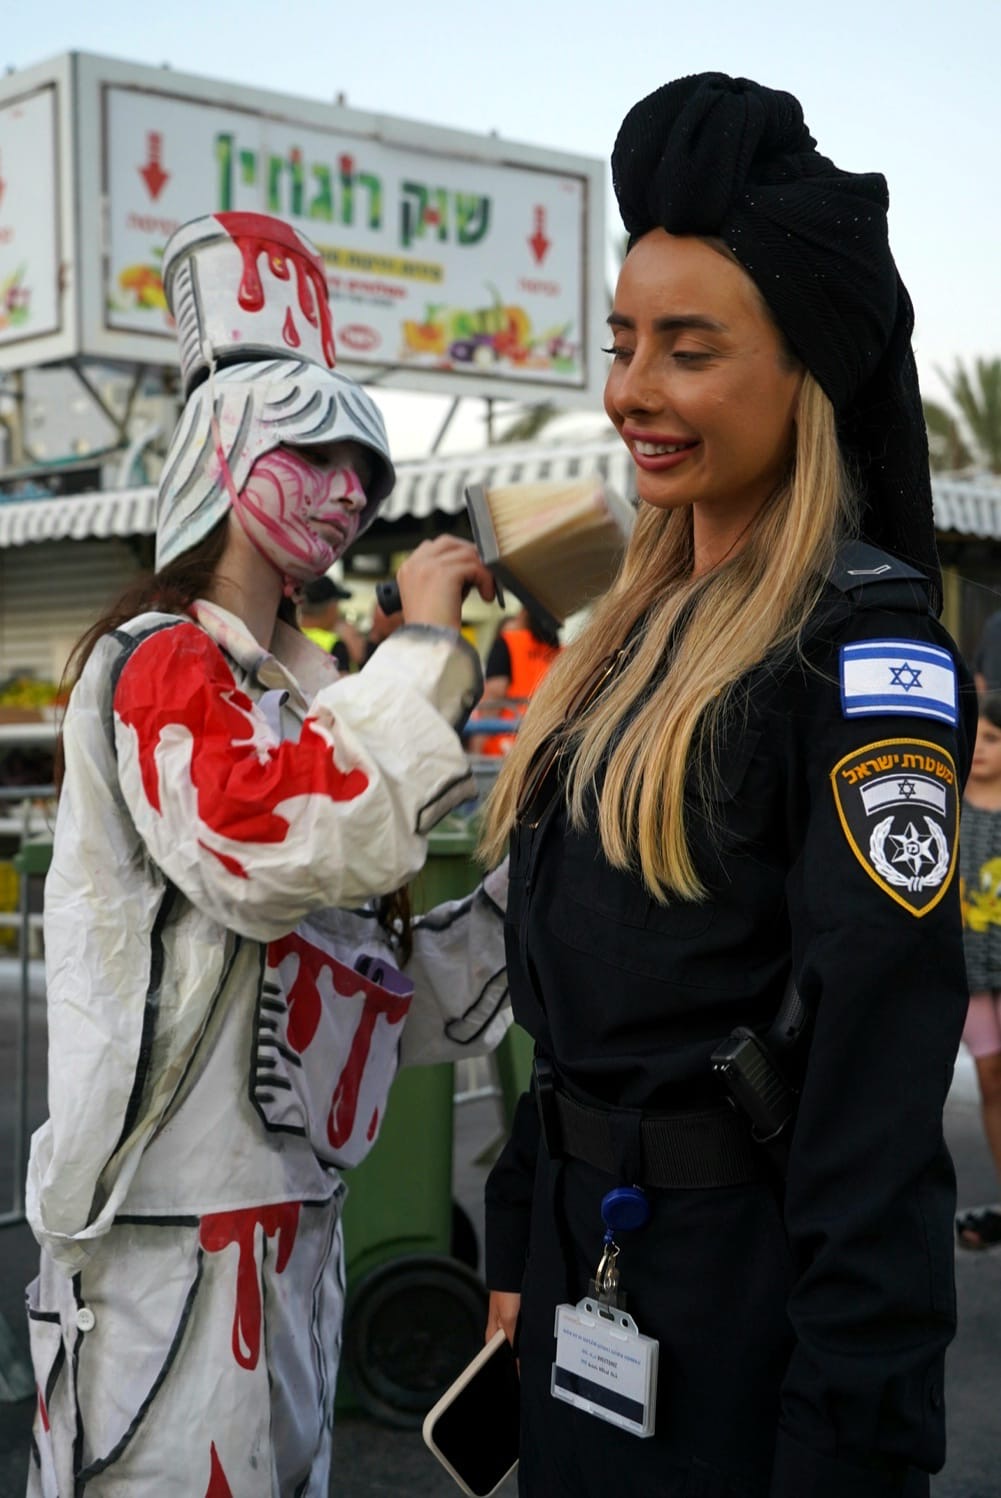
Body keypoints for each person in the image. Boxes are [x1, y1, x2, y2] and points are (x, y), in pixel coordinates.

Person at [477, 74, 975, 1498]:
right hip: (585, 1272)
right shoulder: (625, 637)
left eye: (686, 350)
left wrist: (850, 1441)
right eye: (623, 341)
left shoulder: (863, 658)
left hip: (741, 1324)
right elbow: (574, 1022)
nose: (630, 390)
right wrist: (520, 1239)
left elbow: (876, 1098)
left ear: (805, 372)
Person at [23, 212, 510, 1497]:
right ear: (221, 452)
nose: (348, 489)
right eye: (313, 451)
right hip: (164, 1251)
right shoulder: (159, 663)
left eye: (365, 465)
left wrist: (553, 867)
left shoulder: (304, 700)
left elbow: (369, 996)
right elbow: (266, 846)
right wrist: (425, 655)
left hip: (288, 1237)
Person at [955, 689, 1001, 1249]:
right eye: (978, 737)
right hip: (970, 970)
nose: (981, 748)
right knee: (991, 1077)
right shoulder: (950, 803)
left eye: (994, 738)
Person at [471, 607, 563, 756]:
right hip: (549, 749)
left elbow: (494, 696)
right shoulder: (564, 653)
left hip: (506, 748)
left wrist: (477, 747)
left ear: (524, 614)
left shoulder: (509, 642)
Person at [298, 573, 366, 672]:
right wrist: (356, 661)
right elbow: (344, 681)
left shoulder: (288, 633)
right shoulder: (334, 645)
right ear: (331, 607)